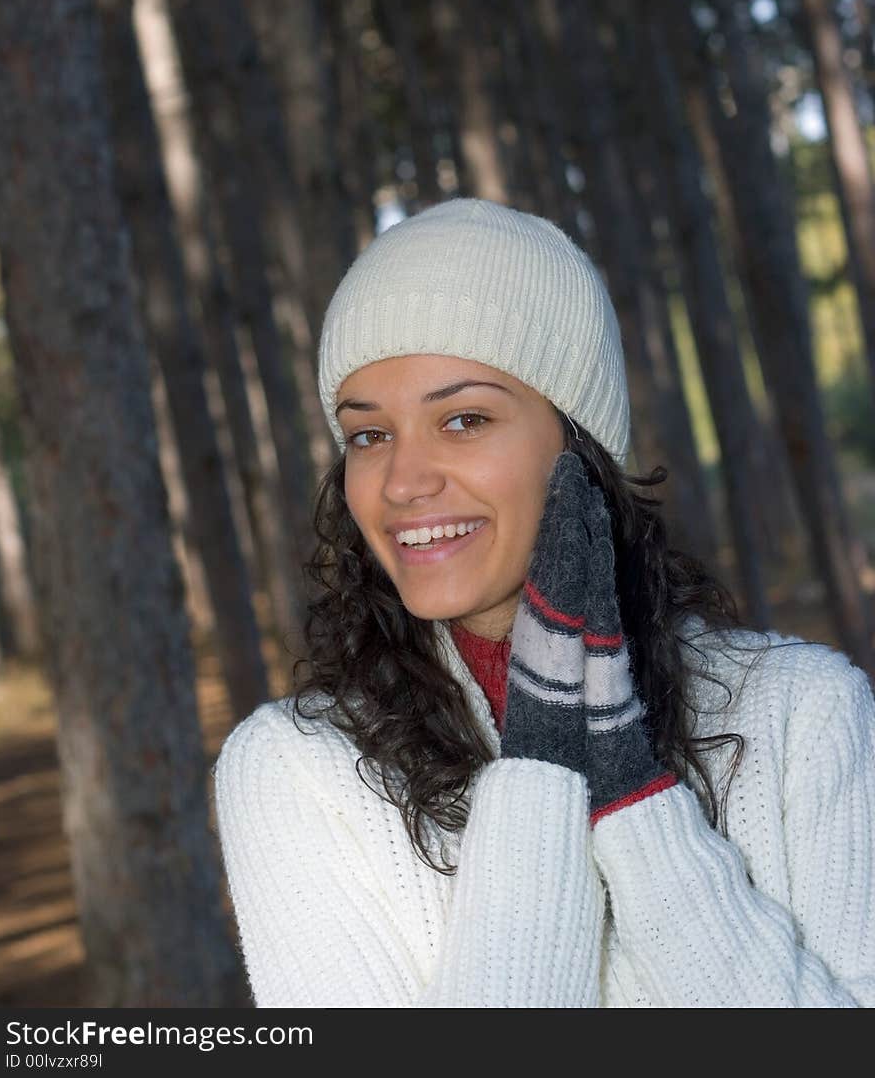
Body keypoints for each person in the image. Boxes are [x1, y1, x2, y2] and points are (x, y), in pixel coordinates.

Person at [213, 196, 875, 1008]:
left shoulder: (804, 713)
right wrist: (542, 770)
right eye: (368, 434)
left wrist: (638, 810)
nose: (402, 481)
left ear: (579, 440)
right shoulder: (294, 771)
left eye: (462, 418)